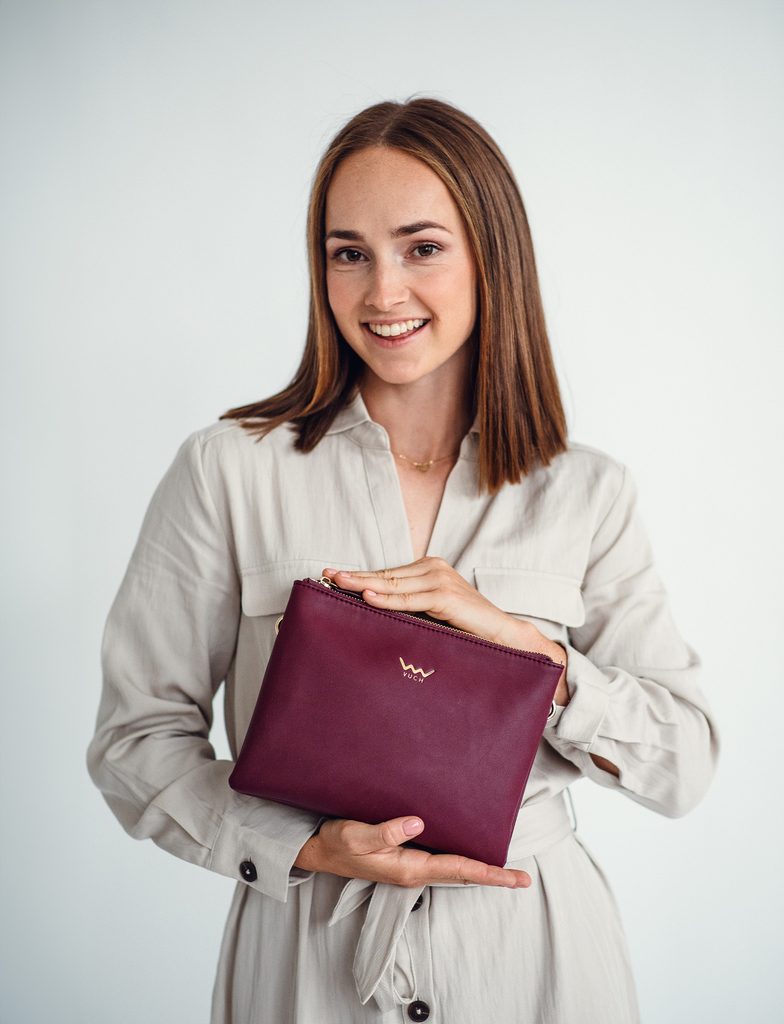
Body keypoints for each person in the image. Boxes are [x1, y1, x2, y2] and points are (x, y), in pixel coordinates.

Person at [86, 96, 719, 1023]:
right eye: (349, 253)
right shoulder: (228, 470)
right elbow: (134, 742)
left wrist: (529, 655)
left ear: (491, 257)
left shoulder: (589, 492)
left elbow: (683, 765)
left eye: (422, 248)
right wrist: (303, 848)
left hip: (535, 962)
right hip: (305, 955)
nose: (382, 293)